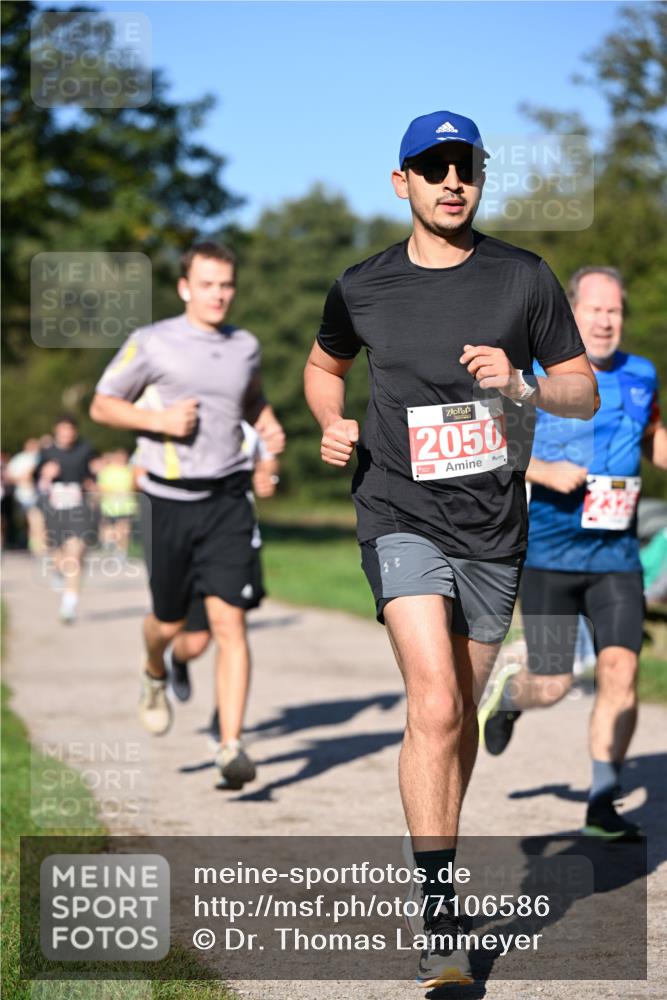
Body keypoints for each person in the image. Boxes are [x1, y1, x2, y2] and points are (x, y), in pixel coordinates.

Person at [304, 109, 598, 988]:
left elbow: (580, 390)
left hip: (492, 528)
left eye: (463, 166)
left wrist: (523, 385)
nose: (450, 182)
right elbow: (323, 366)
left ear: (479, 176)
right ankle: (440, 910)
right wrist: (331, 421)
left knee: (456, 714)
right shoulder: (362, 286)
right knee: (432, 704)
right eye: (432, 168)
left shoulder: (523, 278)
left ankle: (432, 850)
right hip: (396, 510)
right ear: (401, 181)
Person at [479, 266, 667, 840]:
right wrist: (542, 470)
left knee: (621, 671)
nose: (606, 321)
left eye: (614, 310)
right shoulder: (535, 376)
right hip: (550, 555)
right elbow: (491, 445)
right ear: (572, 314)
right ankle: (511, 697)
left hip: (615, 557)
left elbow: (653, 437)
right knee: (554, 683)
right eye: (595, 310)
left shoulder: (642, 373)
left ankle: (602, 802)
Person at [90, 241, 285, 790]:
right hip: (167, 501)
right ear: (184, 288)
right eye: (207, 285)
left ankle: (230, 747)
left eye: (226, 285)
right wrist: (158, 423)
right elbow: (102, 404)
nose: (219, 294)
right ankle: (154, 669)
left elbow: (250, 400)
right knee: (170, 623)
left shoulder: (245, 345)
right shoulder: (152, 342)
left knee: (230, 623)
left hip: (227, 499)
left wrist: (268, 428)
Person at [164, 421, 280, 716]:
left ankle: (226, 719)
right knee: (197, 641)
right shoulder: (179, 418)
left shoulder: (250, 426)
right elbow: (141, 471)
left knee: (230, 628)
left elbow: (267, 460)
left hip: (236, 539)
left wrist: (268, 476)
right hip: (190, 541)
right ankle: (176, 658)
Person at [35, 416, 98, 623]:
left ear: (75, 431)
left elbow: (92, 475)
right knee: (59, 554)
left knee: (75, 553)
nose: (67, 434)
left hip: (78, 507)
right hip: (54, 508)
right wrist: (46, 476)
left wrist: (94, 482)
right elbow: (37, 481)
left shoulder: (85, 449)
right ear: (56, 430)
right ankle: (57, 571)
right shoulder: (46, 452)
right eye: (63, 429)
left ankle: (69, 604)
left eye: (70, 430)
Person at [6, 438, 46, 554]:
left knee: (34, 521)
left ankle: (36, 545)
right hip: (25, 495)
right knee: (32, 521)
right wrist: (23, 479)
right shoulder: (25, 458)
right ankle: (34, 545)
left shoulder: (35, 457)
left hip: (31, 495)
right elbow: (11, 475)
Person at [97, 448, 138, 558]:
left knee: (124, 530)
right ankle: (109, 545)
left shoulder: (130, 470)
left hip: (126, 506)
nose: (121, 459)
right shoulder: (107, 471)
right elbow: (101, 487)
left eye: (123, 457)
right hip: (109, 506)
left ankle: (122, 552)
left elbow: (135, 486)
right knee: (109, 528)